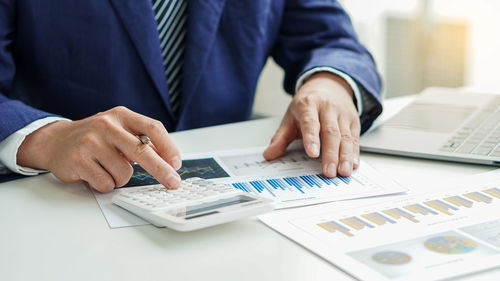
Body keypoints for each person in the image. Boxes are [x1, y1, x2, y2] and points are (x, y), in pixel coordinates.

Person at [0, 0, 382, 192]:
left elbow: (332, 38)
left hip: (231, 214)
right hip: (56, 204)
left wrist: (331, 83)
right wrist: (46, 138)